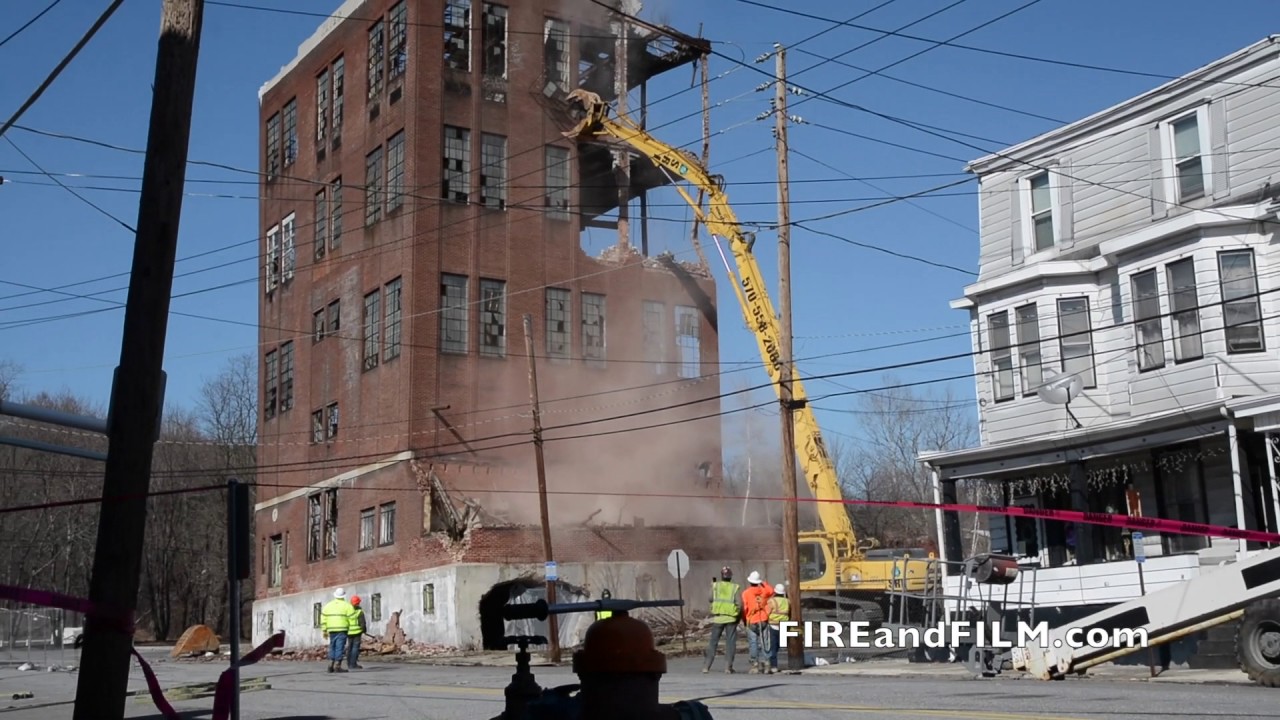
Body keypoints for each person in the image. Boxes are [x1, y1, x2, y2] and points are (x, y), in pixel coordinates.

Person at [702, 566, 742, 674]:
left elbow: (710, 599)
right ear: (730, 576)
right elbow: (739, 604)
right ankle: (728, 667)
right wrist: (737, 615)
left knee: (713, 643)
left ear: (721, 576)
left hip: (718, 618)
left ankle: (706, 666)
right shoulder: (735, 587)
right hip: (731, 618)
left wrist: (712, 587)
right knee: (730, 643)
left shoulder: (716, 586)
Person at [741, 571, 774, 673]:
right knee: (765, 642)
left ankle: (755, 664)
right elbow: (771, 590)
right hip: (763, 619)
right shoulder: (764, 591)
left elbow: (745, 608)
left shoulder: (746, 593)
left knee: (753, 643)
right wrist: (763, 583)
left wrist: (745, 620)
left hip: (751, 620)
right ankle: (767, 664)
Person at [321, 587, 354, 673]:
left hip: (331, 629)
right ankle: (337, 665)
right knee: (340, 647)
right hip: (342, 629)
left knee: (333, 646)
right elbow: (352, 619)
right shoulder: (347, 606)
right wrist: (351, 629)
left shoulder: (328, 605)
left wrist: (324, 630)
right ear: (344, 596)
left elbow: (323, 618)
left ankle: (330, 665)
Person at [765, 583, 789, 674]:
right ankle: (773, 664)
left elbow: (766, 612)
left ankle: (773, 666)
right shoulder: (787, 601)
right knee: (778, 646)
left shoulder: (772, 601)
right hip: (784, 626)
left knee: (773, 647)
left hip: (773, 625)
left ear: (775, 592)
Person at [346, 595, 368, 670]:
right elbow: (362, 623)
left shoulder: (347, 611)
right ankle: (353, 664)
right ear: (358, 603)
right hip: (357, 632)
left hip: (349, 632)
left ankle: (349, 663)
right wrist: (364, 630)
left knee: (349, 647)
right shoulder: (359, 612)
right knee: (355, 648)